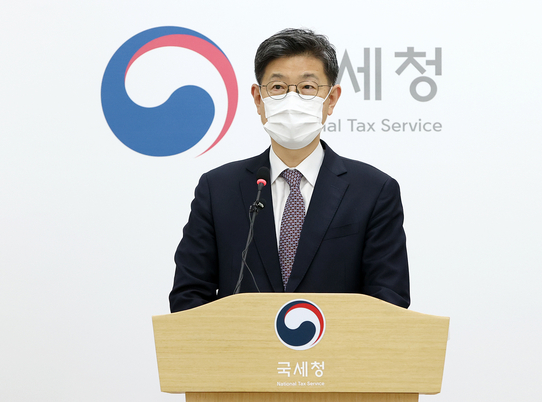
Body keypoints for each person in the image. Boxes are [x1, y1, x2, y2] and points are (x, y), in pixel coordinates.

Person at [169, 28, 410, 312]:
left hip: (336, 342)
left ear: (331, 99)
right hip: (242, 341)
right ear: (258, 99)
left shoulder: (373, 191)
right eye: (278, 87)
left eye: (307, 87)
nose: (292, 99)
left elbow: (389, 300)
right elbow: (189, 295)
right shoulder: (218, 189)